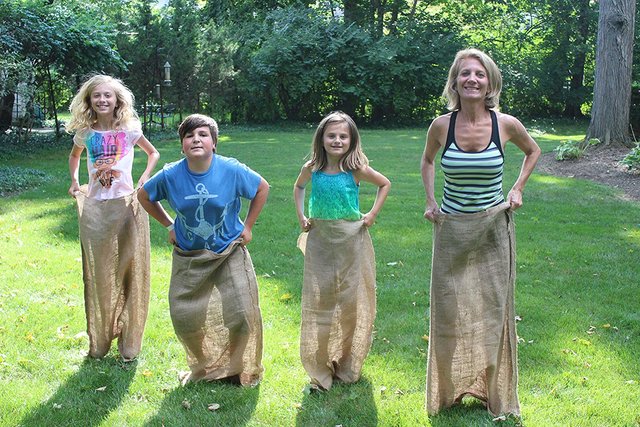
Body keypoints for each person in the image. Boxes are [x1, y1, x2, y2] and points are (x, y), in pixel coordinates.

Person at [421, 49, 541, 417]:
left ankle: (493, 391)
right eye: (465, 74)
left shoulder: (506, 124)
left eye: (479, 74)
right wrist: (430, 200)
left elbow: (533, 151)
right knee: (449, 310)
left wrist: (518, 187)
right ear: (455, 82)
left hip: (492, 229)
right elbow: (427, 160)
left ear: (490, 82)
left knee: (493, 310)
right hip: (452, 230)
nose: (472, 80)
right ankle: (450, 389)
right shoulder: (442, 125)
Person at [138, 114, 269, 386]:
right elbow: (143, 196)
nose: (195, 139)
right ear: (182, 145)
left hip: (227, 251)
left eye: (203, 134)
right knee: (185, 318)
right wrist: (169, 224)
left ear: (214, 143)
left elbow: (261, 188)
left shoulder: (231, 170)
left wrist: (248, 226)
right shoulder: (171, 175)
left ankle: (235, 368)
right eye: (189, 136)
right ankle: (205, 366)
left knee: (242, 314)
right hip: (190, 256)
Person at [294, 111, 391, 390]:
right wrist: (301, 215)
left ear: (351, 140)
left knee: (350, 299)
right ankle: (320, 363)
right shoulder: (311, 168)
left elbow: (384, 184)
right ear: (321, 139)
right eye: (331, 135)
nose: (337, 140)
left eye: (343, 136)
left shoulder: (355, 169)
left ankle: (347, 361)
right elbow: (299, 188)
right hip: (321, 240)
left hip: (350, 239)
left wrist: (371, 214)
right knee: (322, 300)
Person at [67, 74, 159, 361]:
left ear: (117, 100)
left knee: (129, 268)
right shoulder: (86, 133)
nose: (102, 100)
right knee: (100, 270)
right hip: (96, 207)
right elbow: (74, 156)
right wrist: (74, 180)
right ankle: (101, 336)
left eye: (108, 95)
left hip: (125, 206)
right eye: (97, 96)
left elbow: (153, 153)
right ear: (89, 101)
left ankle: (129, 338)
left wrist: (144, 178)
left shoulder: (130, 129)